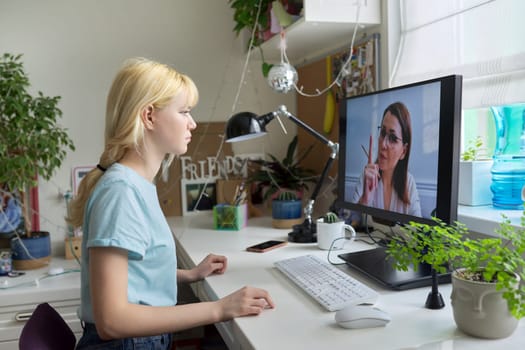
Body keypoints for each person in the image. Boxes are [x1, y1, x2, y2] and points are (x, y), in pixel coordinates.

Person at [67, 58, 274, 349]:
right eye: (184, 111)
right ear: (149, 117)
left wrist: (188, 275)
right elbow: (111, 320)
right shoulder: (121, 192)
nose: (192, 123)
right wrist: (219, 308)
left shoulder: (138, 184)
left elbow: (133, 272)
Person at [352, 101, 421, 217]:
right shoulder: (366, 177)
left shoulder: (409, 183)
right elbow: (349, 223)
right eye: (383, 133)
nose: (383, 144)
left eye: (393, 138)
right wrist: (365, 199)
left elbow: (418, 231)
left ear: (403, 151)